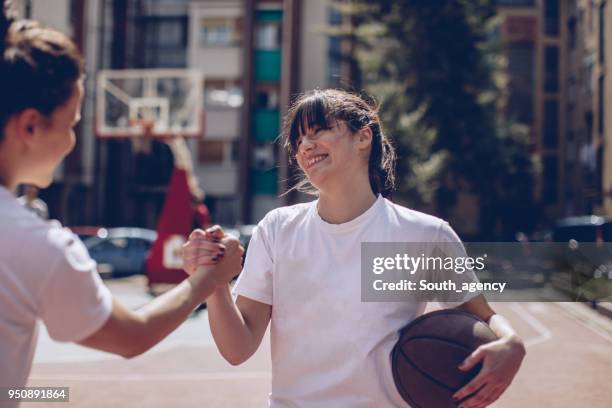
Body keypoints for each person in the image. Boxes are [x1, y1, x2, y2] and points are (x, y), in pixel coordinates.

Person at [182, 89, 526, 407]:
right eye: (298, 139)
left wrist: (512, 343)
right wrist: (212, 284)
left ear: (364, 137)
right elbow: (237, 348)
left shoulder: (424, 235)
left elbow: (484, 317)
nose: (305, 145)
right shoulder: (277, 230)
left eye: (318, 130)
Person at [0, 3, 243, 402]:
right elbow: (132, 335)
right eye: (71, 125)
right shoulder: (36, 245)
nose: (73, 141)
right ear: (29, 126)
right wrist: (209, 280)